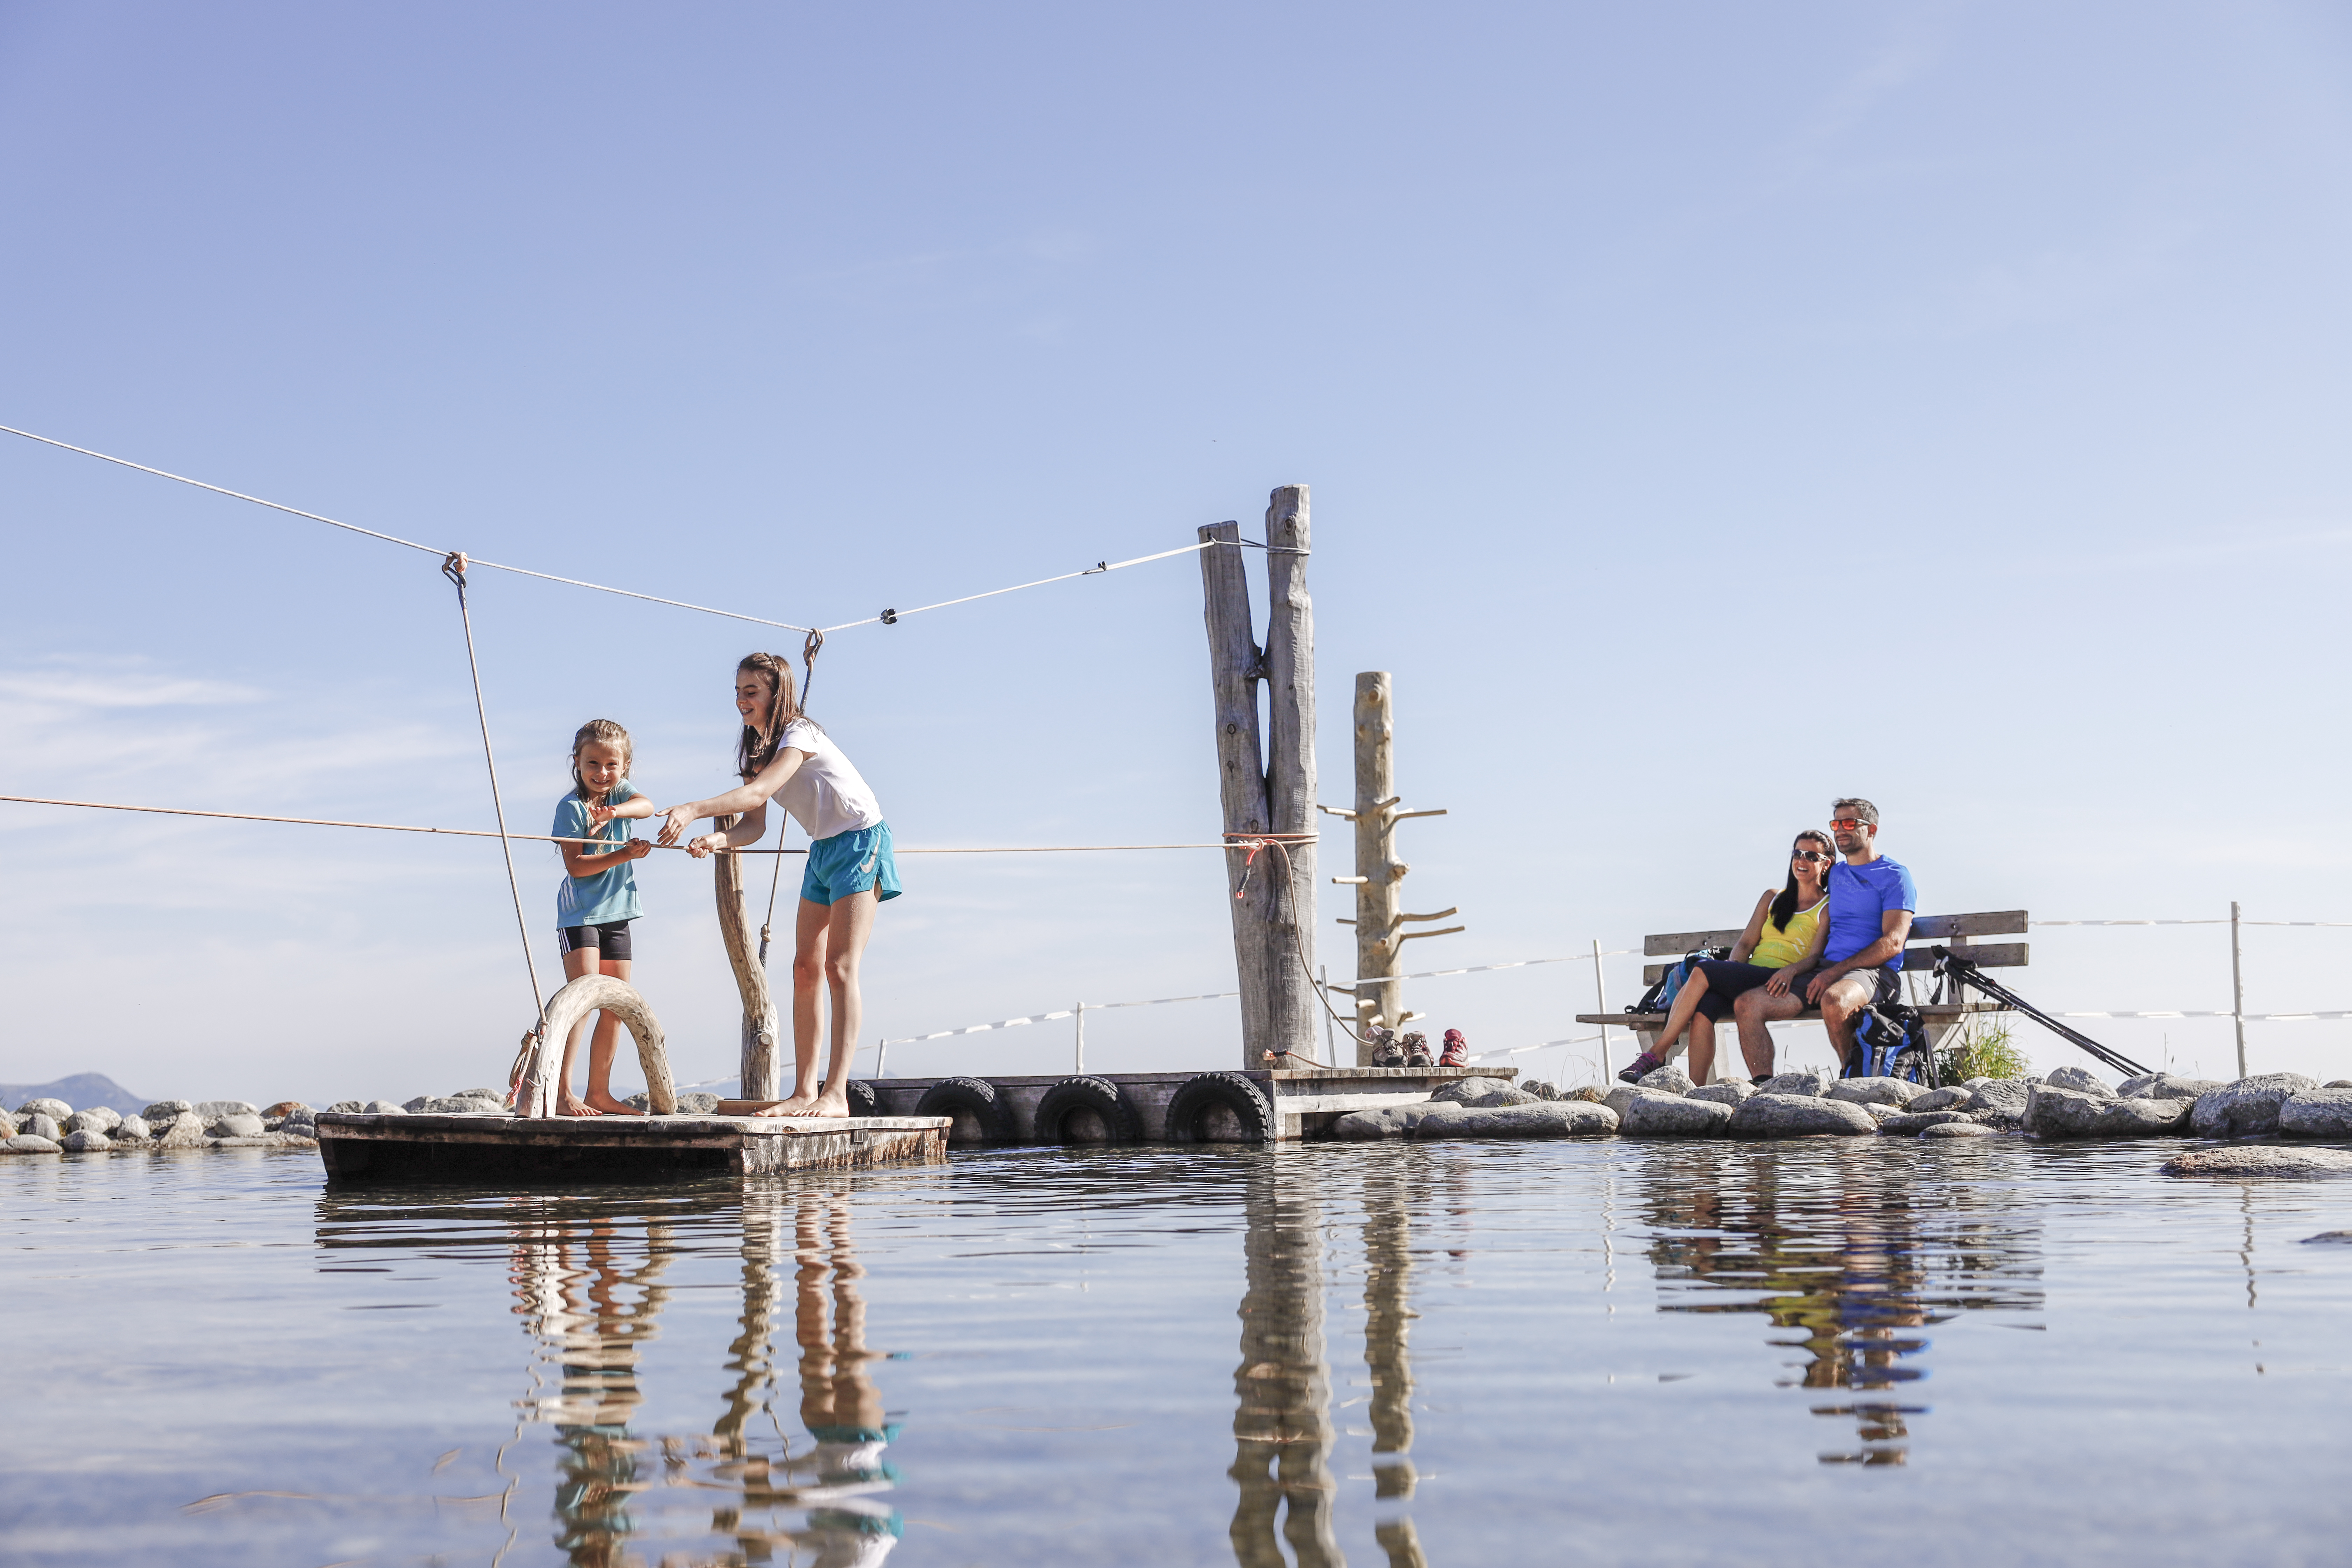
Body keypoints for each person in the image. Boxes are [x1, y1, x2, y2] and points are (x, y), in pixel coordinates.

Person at [653, 652, 899, 1118]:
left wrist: (691, 809)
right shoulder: (754, 747)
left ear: (775, 694)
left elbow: (759, 793)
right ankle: (804, 1092)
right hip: (824, 848)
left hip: (861, 839)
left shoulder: (800, 734)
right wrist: (717, 840)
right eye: (738, 692)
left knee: (840, 967)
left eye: (752, 692)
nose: (743, 701)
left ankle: (836, 1095)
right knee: (804, 968)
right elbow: (754, 824)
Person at [1618, 830, 1834, 1085]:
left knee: (1705, 971)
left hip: (1780, 980)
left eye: (1810, 856)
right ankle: (1697, 1093)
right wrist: (1730, 972)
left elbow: (1815, 957)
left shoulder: (1827, 906)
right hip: (1753, 974)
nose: (1801, 860)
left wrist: (1790, 972)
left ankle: (1656, 1054)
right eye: (1797, 853)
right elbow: (1745, 943)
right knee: (1705, 1008)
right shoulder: (1773, 898)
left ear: (1826, 863)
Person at [1730, 798, 1916, 1079]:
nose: (1840, 829)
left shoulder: (1895, 876)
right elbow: (1806, 891)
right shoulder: (1837, 872)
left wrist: (1835, 973)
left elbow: (1893, 943)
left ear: (1872, 830)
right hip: (1825, 971)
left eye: (1850, 823)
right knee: (1748, 1005)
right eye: (1836, 823)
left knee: (1835, 1000)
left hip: (1875, 974)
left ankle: (1850, 1079)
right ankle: (1764, 1088)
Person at [547, 719, 656, 1116]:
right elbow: (577, 866)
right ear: (577, 762)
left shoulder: (619, 794)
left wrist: (614, 812)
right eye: (593, 763)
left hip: (618, 913)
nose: (602, 772)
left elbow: (648, 807)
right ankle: (561, 1093)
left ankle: (599, 1092)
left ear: (625, 766)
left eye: (612, 764)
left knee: (616, 1005)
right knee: (583, 1001)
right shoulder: (571, 807)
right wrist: (624, 854)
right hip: (580, 913)